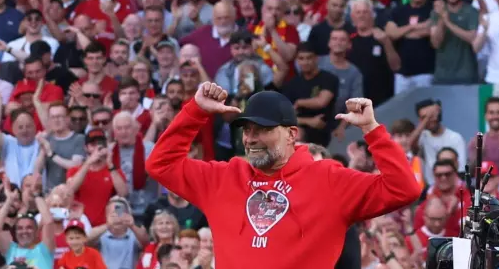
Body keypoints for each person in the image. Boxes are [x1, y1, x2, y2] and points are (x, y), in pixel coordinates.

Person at [145, 82, 421, 268]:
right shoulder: (224, 177)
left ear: (292, 134)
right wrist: (195, 112)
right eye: (247, 130)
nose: (251, 139)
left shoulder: (329, 179)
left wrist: (373, 130)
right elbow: (160, 164)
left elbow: (404, 189)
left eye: (263, 129)